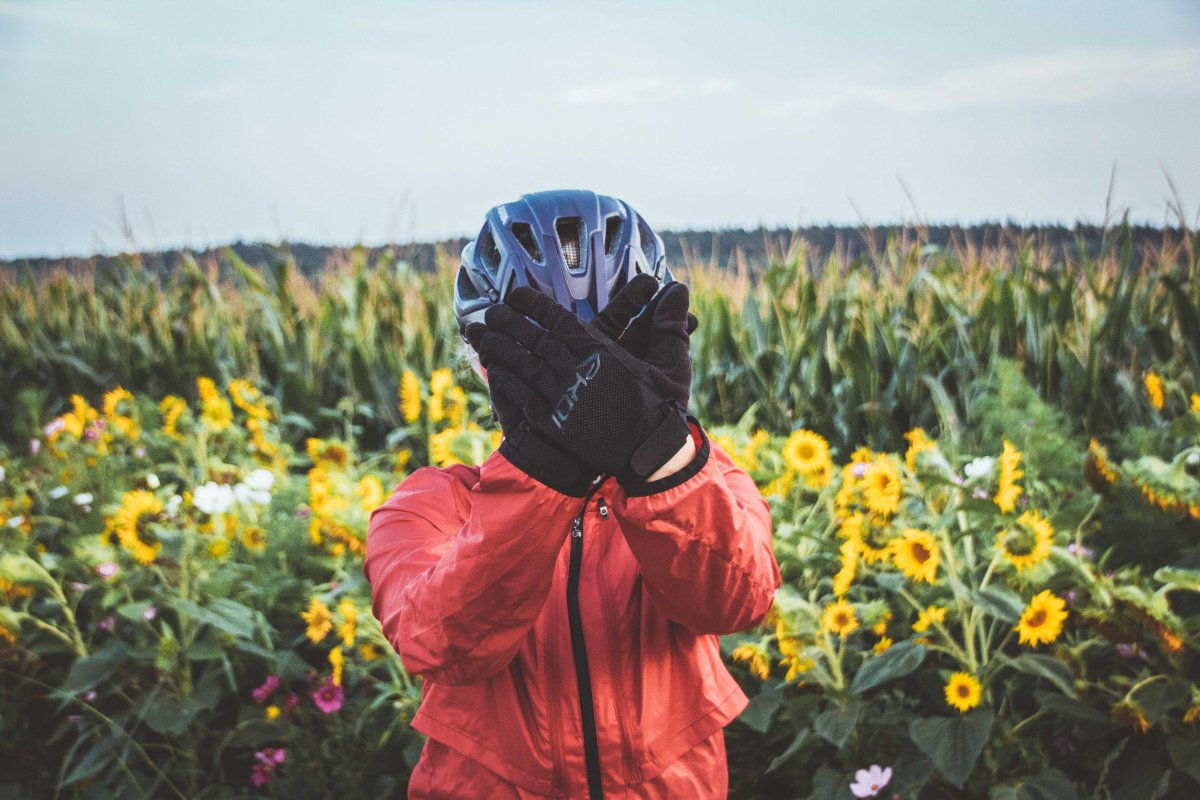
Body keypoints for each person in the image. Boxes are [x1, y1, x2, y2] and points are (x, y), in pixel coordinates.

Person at [363, 190, 781, 799]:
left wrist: (657, 450)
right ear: (483, 364)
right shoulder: (428, 506)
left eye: (603, 359)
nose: (587, 376)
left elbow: (734, 603)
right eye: (554, 353)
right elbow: (445, 645)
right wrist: (547, 464)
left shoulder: (699, 477)